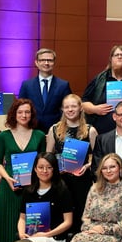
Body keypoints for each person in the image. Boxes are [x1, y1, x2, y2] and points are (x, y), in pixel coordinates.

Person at [0, 98, 45, 242]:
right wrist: (7, 178)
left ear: (32, 114)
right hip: (9, 190)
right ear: (14, 114)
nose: (24, 115)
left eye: (27, 112)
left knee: (29, 232)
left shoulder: (39, 135)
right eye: (20, 112)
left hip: (32, 190)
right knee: (7, 230)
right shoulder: (3, 137)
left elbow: (43, 163)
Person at [45, 93, 97, 234]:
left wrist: (87, 166)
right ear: (62, 109)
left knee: (80, 214)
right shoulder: (54, 129)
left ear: (81, 108)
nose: (70, 109)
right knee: (61, 214)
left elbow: (98, 157)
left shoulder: (90, 130)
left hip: (82, 180)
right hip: (61, 180)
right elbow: (48, 157)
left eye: (73, 106)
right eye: (67, 107)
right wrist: (56, 167)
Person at [17, 48, 72, 133]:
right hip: (32, 130)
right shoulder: (27, 85)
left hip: (56, 130)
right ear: (36, 63)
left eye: (49, 60)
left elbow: (68, 109)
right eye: (42, 60)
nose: (46, 63)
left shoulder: (63, 85)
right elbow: (20, 108)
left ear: (54, 63)